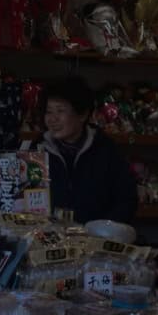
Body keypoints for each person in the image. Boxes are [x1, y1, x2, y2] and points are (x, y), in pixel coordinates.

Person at [39, 75, 137, 225]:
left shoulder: (105, 150)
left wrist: (101, 229)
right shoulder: (36, 151)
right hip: (48, 236)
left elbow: (127, 200)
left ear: (83, 114)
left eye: (60, 111)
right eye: (49, 111)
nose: (52, 119)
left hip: (95, 236)